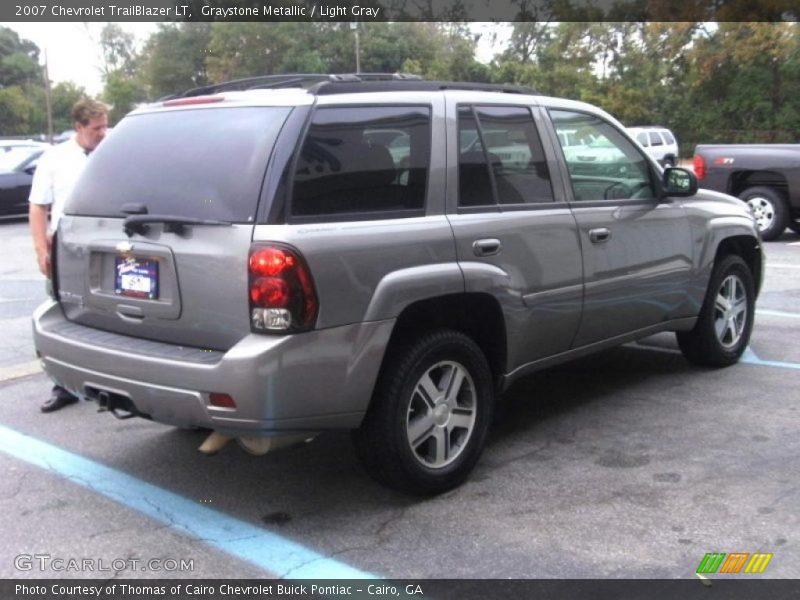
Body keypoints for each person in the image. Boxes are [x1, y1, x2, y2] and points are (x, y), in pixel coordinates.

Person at [29, 98, 109, 412]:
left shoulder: (113, 151)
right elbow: (38, 206)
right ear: (78, 127)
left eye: (105, 125)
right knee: (65, 315)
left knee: (110, 317)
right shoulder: (55, 158)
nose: (103, 133)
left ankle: (109, 385)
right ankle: (63, 386)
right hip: (69, 249)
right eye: (96, 128)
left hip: (108, 245)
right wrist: (40, 248)